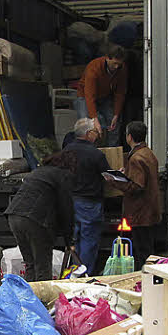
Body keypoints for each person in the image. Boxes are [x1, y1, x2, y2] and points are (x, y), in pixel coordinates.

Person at [4, 151, 76, 282]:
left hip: (14, 216)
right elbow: (66, 208)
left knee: (30, 263)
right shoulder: (62, 175)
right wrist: (69, 239)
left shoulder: (38, 171)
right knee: (42, 265)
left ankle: (29, 298)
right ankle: (43, 299)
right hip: (34, 219)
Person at [107, 121, 161, 269]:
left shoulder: (136, 158)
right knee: (147, 248)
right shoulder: (148, 153)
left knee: (142, 251)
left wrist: (114, 181)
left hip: (140, 212)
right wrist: (126, 174)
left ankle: (143, 281)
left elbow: (136, 186)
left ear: (129, 137)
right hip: (149, 209)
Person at [63, 118, 111, 276]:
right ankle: (84, 276)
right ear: (89, 134)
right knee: (89, 241)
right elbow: (108, 176)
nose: (97, 135)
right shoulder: (96, 154)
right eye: (95, 132)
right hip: (89, 203)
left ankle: (72, 273)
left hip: (70, 201)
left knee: (74, 241)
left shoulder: (66, 151)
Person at [77, 44, 128, 147]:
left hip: (105, 96)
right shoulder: (94, 68)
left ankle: (113, 152)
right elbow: (89, 95)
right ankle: (88, 150)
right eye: (114, 63)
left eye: (119, 64)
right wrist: (94, 119)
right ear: (107, 59)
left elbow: (120, 92)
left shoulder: (122, 69)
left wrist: (116, 114)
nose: (117, 66)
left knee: (114, 124)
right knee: (86, 125)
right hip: (85, 96)